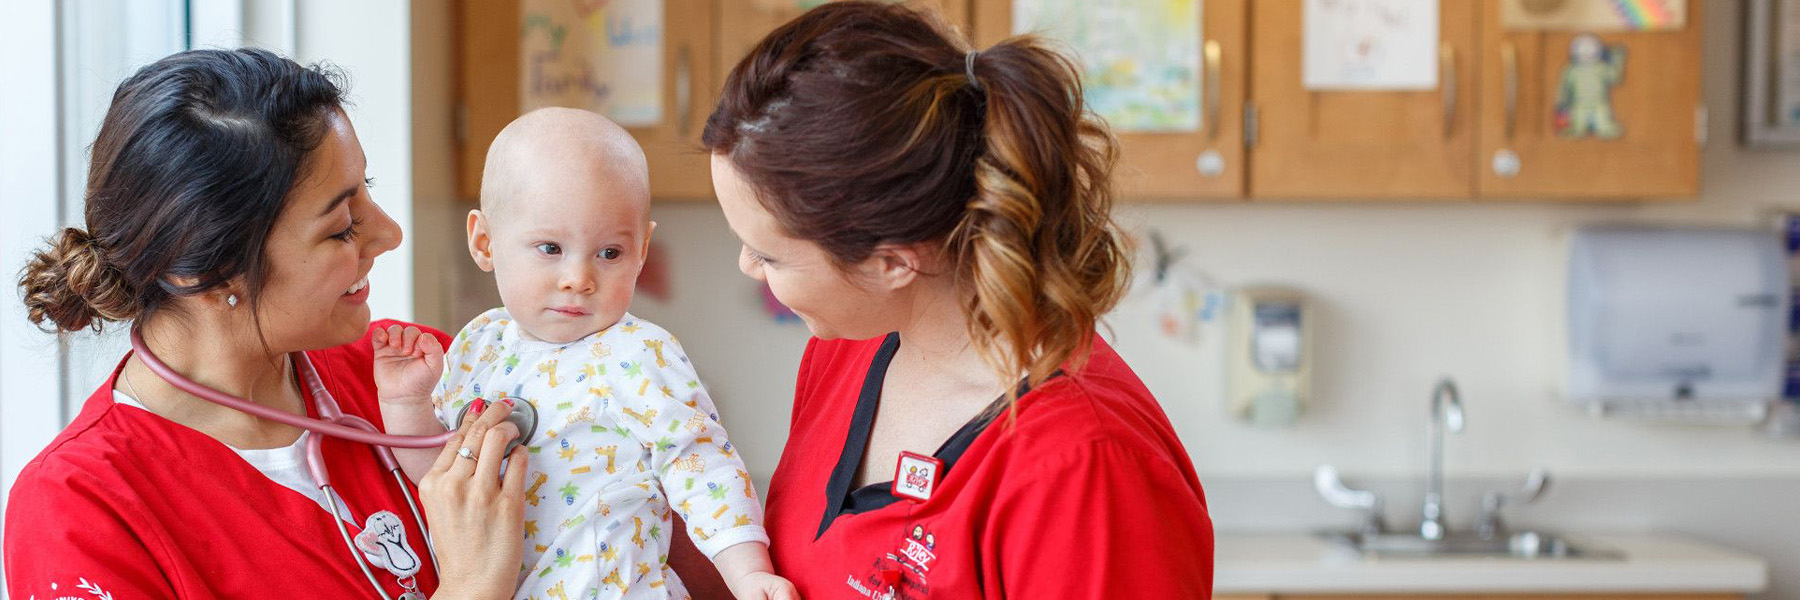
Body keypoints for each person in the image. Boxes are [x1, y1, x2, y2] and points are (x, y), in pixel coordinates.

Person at [700, 2, 1214, 598]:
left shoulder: (1088, 469)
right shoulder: (847, 356)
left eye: (767, 255)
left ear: (891, 262)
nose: (746, 267)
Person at [6, 48, 526, 599]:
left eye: (367, 191)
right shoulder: (81, 509)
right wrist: (472, 586)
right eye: (342, 227)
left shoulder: (417, 371)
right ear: (205, 269)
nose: (389, 233)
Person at [372, 107, 795, 600]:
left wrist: (748, 574)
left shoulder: (641, 353)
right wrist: (406, 407)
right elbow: (445, 481)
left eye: (609, 253)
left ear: (641, 250)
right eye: (550, 248)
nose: (580, 278)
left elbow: (702, 467)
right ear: (484, 243)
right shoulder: (478, 345)